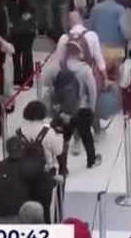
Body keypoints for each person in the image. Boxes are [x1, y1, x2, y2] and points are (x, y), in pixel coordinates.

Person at [41, 41, 99, 171]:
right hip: (82, 108)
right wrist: (92, 108)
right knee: (86, 136)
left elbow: (45, 81)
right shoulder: (85, 69)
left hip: (63, 109)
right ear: (78, 53)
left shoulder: (57, 67)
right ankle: (91, 160)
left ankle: (63, 167)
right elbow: (92, 90)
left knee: (63, 139)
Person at [88, 0, 131, 68]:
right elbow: (125, 31)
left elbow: (90, 30)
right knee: (117, 76)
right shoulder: (120, 9)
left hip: (100, 50)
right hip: (117, 50)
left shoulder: (95, 9)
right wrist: (129, 38)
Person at [4, 0, 36, 87]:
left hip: (27, 33)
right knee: (15, 56)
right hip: (14, 34)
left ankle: (28, 80)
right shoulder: (8, 3)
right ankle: (17, 79)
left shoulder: (28, 2)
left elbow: (31, 17)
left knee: (27, 56)